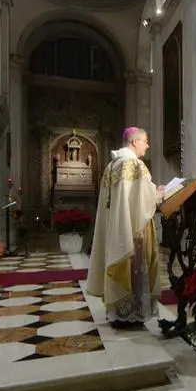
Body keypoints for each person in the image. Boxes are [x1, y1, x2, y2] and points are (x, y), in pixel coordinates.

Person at [85, 127, 165, 330]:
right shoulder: (134, 164)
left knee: (123, 265)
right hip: (132, 230)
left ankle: (118, 312)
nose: (147, 145)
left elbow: (129, 196)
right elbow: (142, 200)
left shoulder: (112, 165)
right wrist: (160, 194)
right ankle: (131, 313)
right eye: (145, 141)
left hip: (117, 228)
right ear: (135, 142)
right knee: (133, 269)